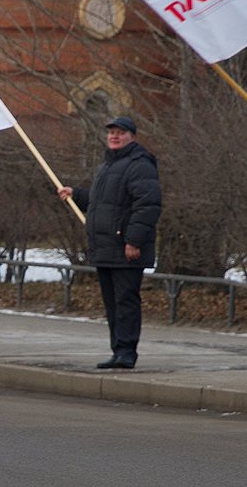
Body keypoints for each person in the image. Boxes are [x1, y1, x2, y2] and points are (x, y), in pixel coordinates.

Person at [56, 116, 162, 369]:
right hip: (105, 248)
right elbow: (102, 202)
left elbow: (147, 205)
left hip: (125, 248)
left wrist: (133, 240)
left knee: (126, 300)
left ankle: (126, 351)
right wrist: (77, 195)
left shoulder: (140, 164)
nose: (114, 136)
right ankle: (118, 350)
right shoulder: (108, 165)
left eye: (120, 133)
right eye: (111, 132)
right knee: (113, 303)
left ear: (132, 136)